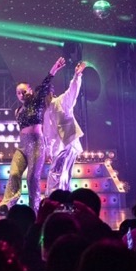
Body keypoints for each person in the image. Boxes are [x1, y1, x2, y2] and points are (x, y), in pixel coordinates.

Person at [0, 54, 65, 212]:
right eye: (18, 93)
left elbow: (44, 85)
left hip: (36, 144)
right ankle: (7, 205)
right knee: (14, 173)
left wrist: (54, 70)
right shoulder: (18, 111)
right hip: (22, 146)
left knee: (32, 179)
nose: (21, 95)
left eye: (23, 91)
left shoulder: (37, 102)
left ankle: (34, 211)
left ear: (30, 91)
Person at [42, 58, 89, 194]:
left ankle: (54, 198)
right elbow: (48, 135)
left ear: (50, 93)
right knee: (62, 174)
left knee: (58, 173)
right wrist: (49, 151)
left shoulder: (61, 101)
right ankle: (62, 198)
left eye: (46, 95)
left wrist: (77, 76)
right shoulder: (46, 112)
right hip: (60, 146)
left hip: (68, 142)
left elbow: (72, 91)